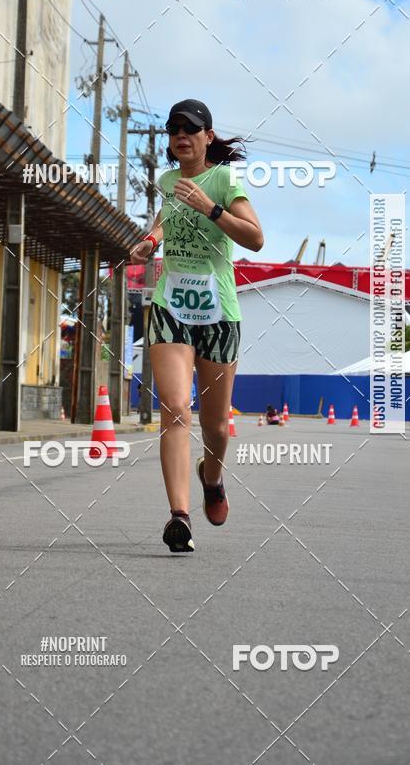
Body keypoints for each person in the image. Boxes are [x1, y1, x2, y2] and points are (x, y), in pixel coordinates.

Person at [129, 99, 264, 552]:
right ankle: (180, 517)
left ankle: (213, 476)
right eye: (174, 129)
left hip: (218, 312)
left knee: (216, 427)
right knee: (174, 408)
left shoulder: (224, 180)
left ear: (208, 137)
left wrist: (211, 208)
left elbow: (255, 238)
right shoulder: (168, 182)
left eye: (190, 128)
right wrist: (150, 241)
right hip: (171, 306)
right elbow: (167, 219)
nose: (181, 136)